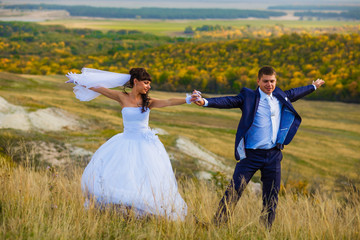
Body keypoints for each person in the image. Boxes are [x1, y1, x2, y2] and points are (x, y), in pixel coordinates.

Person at [192, 66, 325, 228]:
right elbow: (228, 101)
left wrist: (313, 86)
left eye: (272, 81)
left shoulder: (279, 95)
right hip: (250, 156)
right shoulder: (249, 97)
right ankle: (216, 225)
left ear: (276, 81)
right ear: (258, 81)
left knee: (271, 196)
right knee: (234, 191)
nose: (269, 85)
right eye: (266, 81)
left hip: (274, 155)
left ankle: (265, 230)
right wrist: (205, 101)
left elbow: (294, 93)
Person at [66, 67, 194, 220]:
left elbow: (168, 101)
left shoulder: (148, 102)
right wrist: (77, 79)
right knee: (124, 175)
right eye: (146, 83)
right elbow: (100, 89)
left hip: (145, 145)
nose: (149, 86)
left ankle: (146, 209)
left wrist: (187, 99)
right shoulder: (122, 97)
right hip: (125, 142)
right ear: (135, 81)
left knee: (146, 176)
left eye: (149, 84)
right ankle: (122, 209)